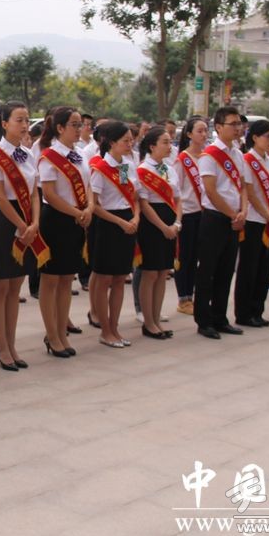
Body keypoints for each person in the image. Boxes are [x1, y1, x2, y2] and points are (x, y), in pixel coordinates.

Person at [0, 102, 44, 371]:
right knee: (1, 286)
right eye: (19, 120)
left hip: (28, 221)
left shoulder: (28, 154)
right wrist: (21, 225)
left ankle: (12, 343)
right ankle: (2, 347)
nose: (24, 125)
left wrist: (34, 223)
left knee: (15, 286)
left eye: (27, 120)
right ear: (5, 123)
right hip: (5, 222)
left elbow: (34, 193)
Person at [36, 107, 91, 356]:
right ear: (60, 128)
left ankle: (62, 332)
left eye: (81, 125)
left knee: (67, 278)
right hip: (57, 221)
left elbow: (88, 186)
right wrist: (76, 213)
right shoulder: (49, 156)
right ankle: (52, 335)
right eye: (74, 125)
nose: (79, 130)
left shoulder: (80, 154)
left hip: (78, 219)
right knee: (51, 279)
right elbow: (49, 193)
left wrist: (88, 208)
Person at [194, 107, 248, 339]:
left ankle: (220, 317)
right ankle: (204, 320)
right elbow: (210, 190)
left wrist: (243, 211)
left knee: (226, 271)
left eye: (239, 124)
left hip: (235, 218)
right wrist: (233, 215)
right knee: (207, 271)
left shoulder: (238, 154)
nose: (237, 128)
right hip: (215, 218)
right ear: (218, 127)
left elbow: (243, 186)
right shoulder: (210, 155)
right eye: (232, 124)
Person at [88, 121, 138, 348]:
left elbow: (132, 196)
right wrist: (120, 222)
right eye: (125, 141)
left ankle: (115, 328)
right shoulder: (100, 168)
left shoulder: (126, 165)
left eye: (131, 140)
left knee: (120, 278)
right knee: (104, 278)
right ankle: (105, 330)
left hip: (128, 221)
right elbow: (95, 205)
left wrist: (135, 217)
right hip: (108, 224)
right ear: (111, 143)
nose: (130, 144)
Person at [234, 120, 269, 328]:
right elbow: (250, 193)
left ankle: (258, 310)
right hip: (254, 220)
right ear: (254, 137)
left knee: (264, 268)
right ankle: (244, 313)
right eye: (267, 136)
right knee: (249, 268)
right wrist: (268, 215)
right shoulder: (248, 160)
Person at [135, 126, 180, 339]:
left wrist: (177, 223)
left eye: (170, 142)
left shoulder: (170, 169)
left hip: (171, 222)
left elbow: (178, 199)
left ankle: (156, 318)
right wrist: (163, 227)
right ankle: (148, 322)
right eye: (165, 142)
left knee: (163, 272)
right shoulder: (143, 170)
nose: (169, 146)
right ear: (152, 146)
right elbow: (144, 203)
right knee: (150, 272)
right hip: (152, 225)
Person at [174, 117, 206, 315]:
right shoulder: (182, 159)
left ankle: (191, 296)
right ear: (189, 134)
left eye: (205, 131)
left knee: (196, 258)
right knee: (185, 258)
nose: (204, 135)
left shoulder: (207, 157)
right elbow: (177, 191)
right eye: (199, 131)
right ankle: (183, 298)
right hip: (187, 214)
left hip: (203, 213)